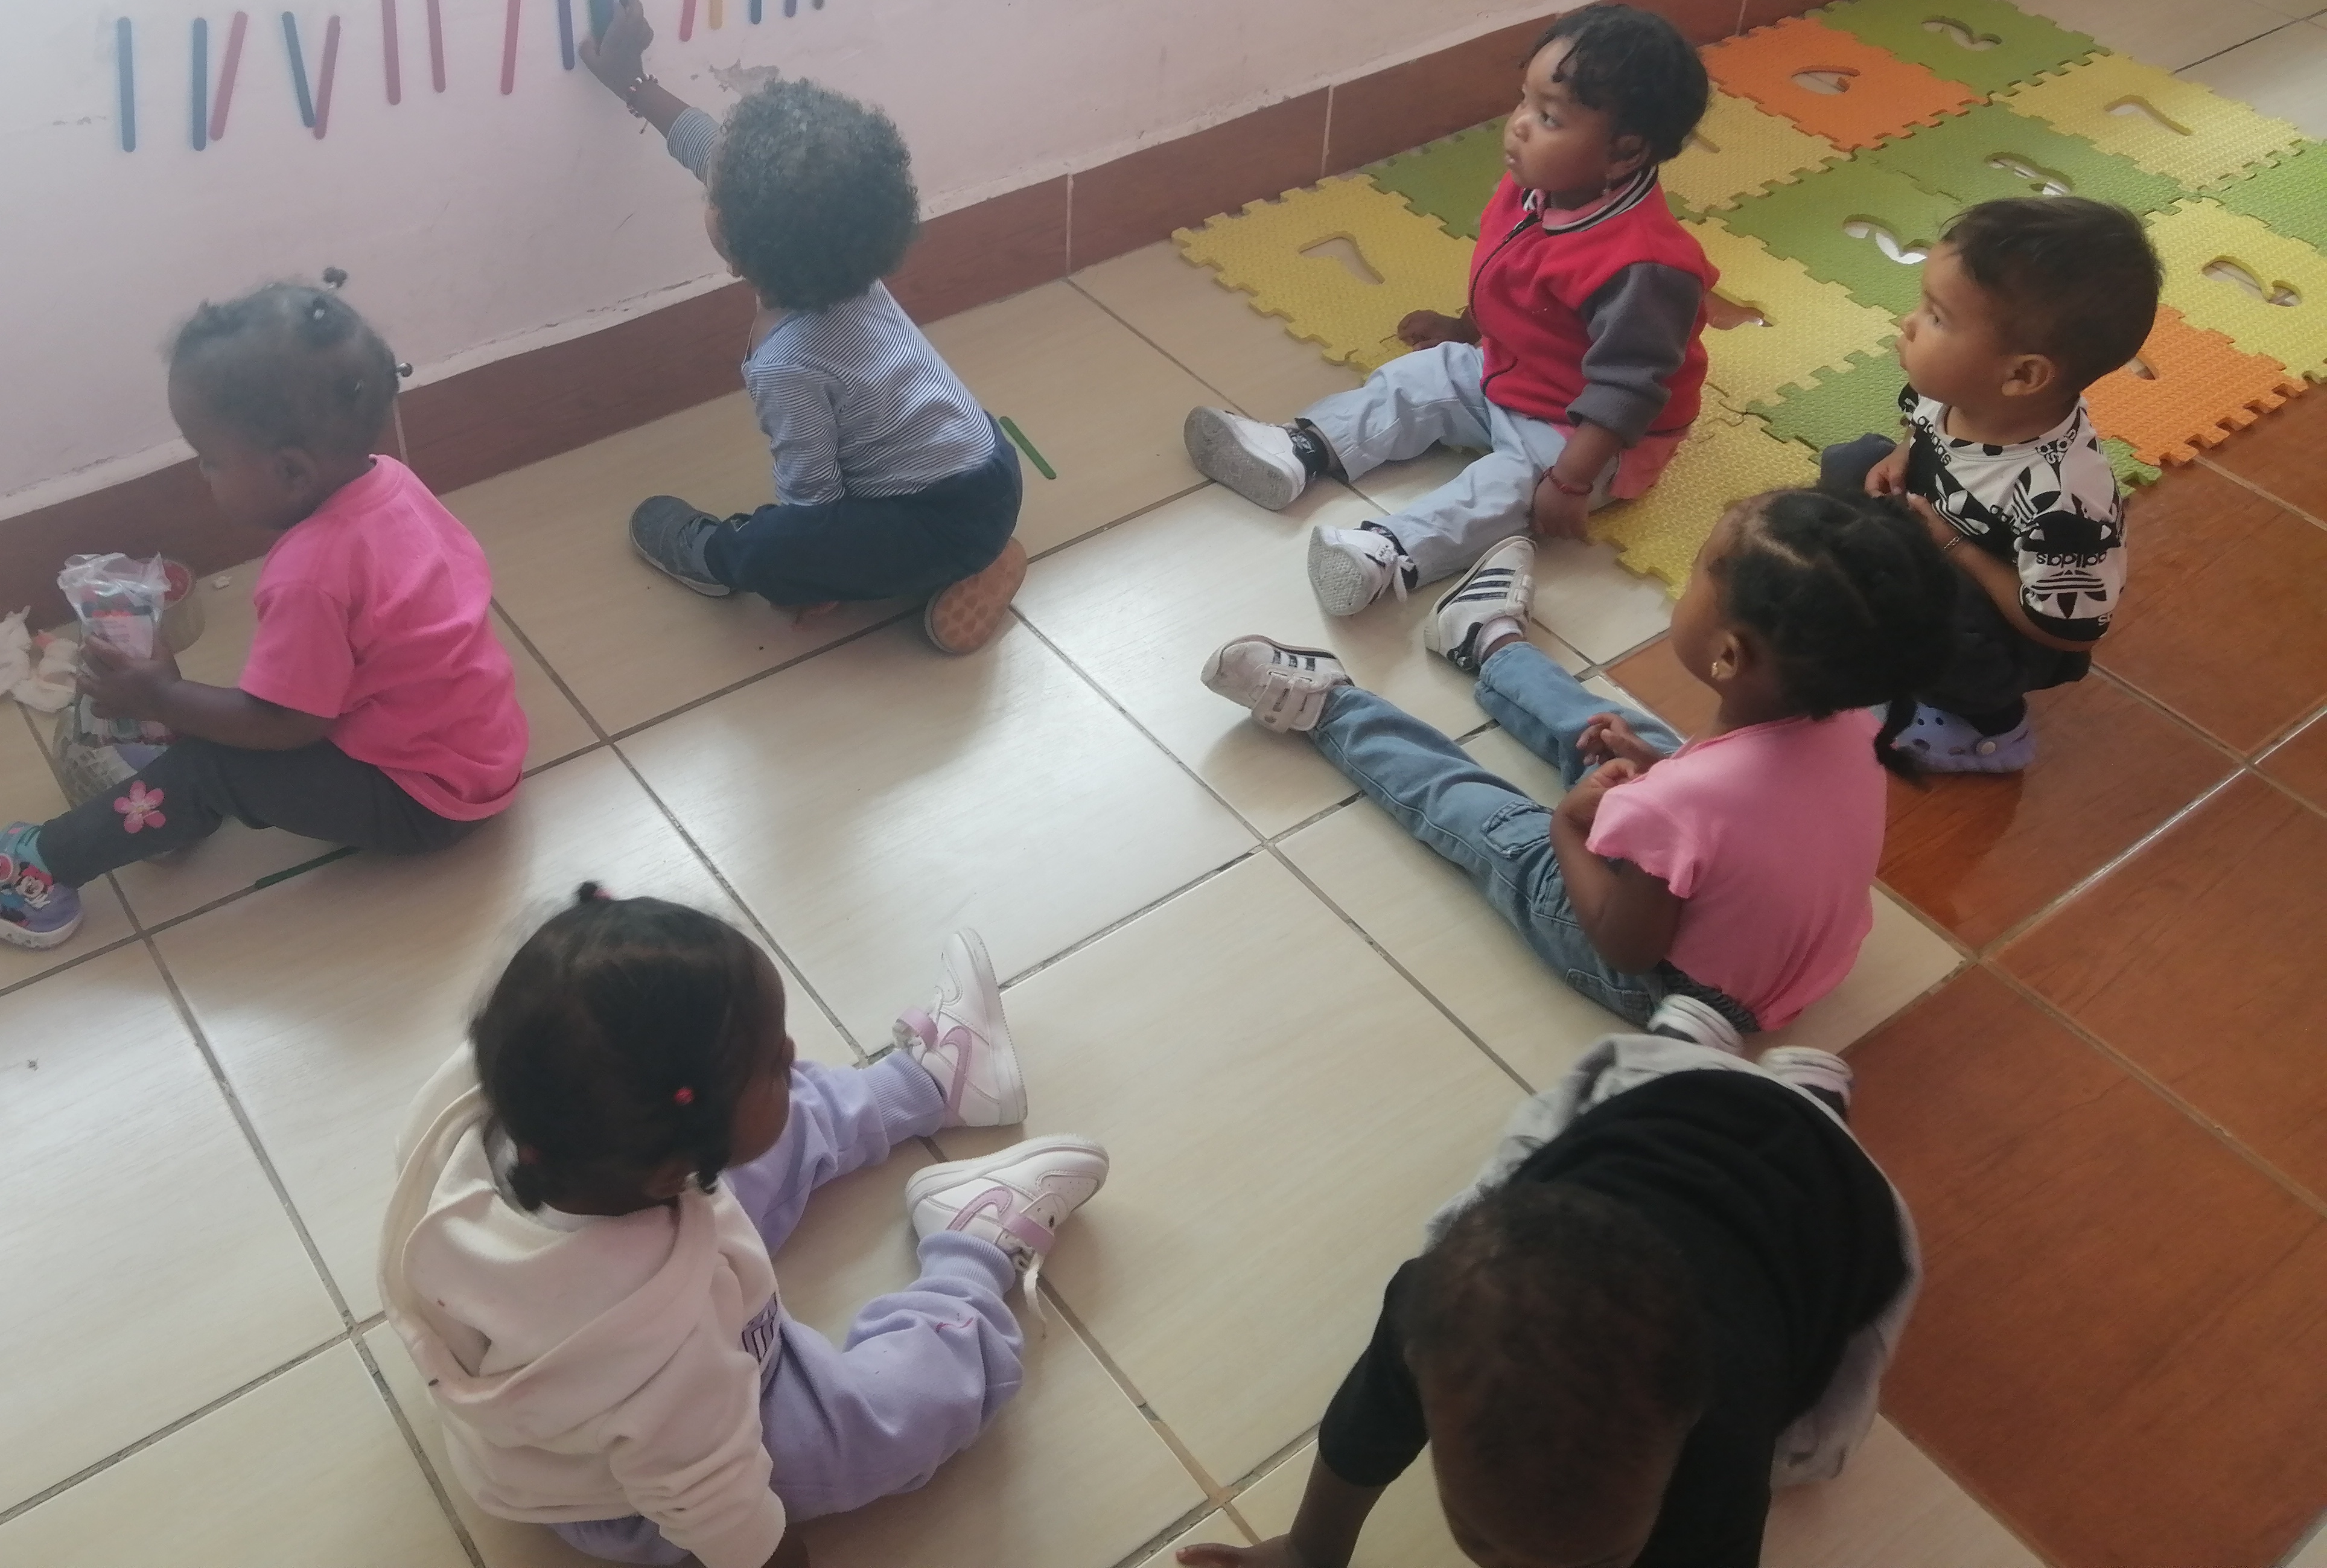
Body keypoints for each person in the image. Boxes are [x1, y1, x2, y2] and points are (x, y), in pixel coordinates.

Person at [379, 891, 1107, 1568]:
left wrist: (747, 1090)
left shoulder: (530, 1096)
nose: (792, 1055)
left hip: (614, 1326)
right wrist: (770, 1555)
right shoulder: (658, 1353)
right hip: (633, 1491)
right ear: (673, 1175)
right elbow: (711, 1499)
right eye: (776, 1065)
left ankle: (930, 1085)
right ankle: (972, 1250)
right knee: (889, 1423)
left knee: (753, 1132)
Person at [0, 278, 528, 947]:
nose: (202, 474)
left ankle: (33, 877)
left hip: (423, 800)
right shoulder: (391, 480)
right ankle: (165, 815)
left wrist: (164, 698)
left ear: (291, 472)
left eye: (211, 459)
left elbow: (290, 725)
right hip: (478, 747)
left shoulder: (310, 574)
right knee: (222, 724)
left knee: (212, 769)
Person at [1200, 489, 1956, 1035]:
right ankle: (1488, 642)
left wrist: (1567, 827)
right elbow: (1725, 808)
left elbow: (1626, 946)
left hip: (1671, 989)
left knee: (1494, 822)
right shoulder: (1852, 721)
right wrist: (1657, 771)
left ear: (1729, 654)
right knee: (1622, 733)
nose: (1685, 585)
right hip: (1798, 963)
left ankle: (1331, 709)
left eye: (1698, 573)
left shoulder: (1683, 803)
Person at [1176, 1030, 1918, 1568]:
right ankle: (1737, 1061)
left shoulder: (1724, 1454)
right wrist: (1308, 1552)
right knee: (1470, 1239)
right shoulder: (1434, 1317)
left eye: (1597, 1564)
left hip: (1837, 1203)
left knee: (1813, 1450)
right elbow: (1362, 1430)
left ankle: (1814, 1098)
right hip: (1663, 1093)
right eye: (1482, 1545)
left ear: (1692, 1428)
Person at [1183, 2, 1716, 619]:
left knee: (1507, 487)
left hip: (1588, 433)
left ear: (1624, 154)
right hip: (1514, 374)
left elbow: (1629, 388)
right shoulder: (1535, 188)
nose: (1518, 126)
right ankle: (1303, 449)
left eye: (1548, 117)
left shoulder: (1644, 266)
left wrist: (1572, 480)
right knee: (1418, 377)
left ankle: (1390, 553)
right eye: (1524, 101)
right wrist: (1464, 329)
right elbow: (1510, 279)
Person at [578, 0, 1028, 654]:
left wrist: (813, 572)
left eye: (713, 195)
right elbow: (711, 148)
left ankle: (714, 557)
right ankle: (983, 552)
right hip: (991, 468)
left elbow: (813, 498)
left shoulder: (788, 362)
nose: (709, 183)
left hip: (936, 521)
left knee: (773, 546)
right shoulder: (841, 251)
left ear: (738, 251)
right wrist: (634, 82)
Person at [1821, 194, 2159, 773]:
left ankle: (1991, 728)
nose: (1908, 322)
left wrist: (1955, 546)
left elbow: (2069, 631)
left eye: (1936, 317)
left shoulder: (2064, 500)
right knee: (1853, 465)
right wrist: (1902, 457)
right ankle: (1878, 619)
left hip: (2006, 623)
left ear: (2022, 374)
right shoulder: (1954, 390)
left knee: (1935, 618)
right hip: (1936, 530)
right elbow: (1921, 428)